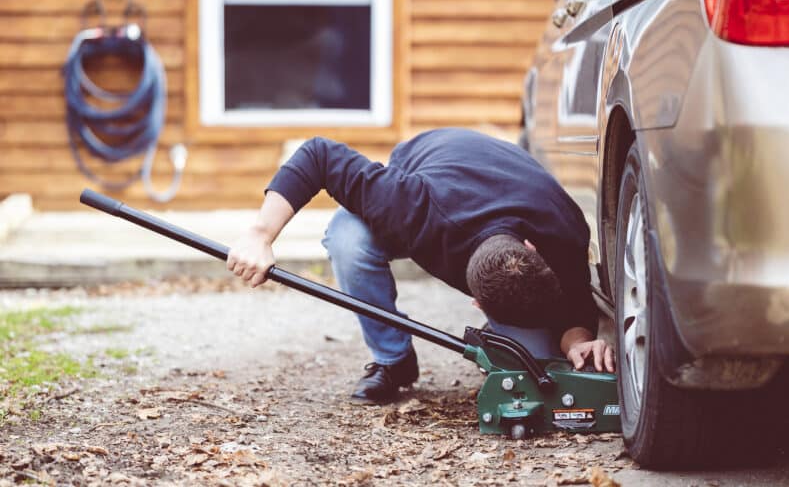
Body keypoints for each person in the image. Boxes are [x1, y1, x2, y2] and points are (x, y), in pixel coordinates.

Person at [227, 128, 615, 404]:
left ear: (535, 251)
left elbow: (575, 304)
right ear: (477, 302)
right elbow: (317, 153)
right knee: (348, 239)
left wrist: (578, 344)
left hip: (504, 169)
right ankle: (392, 361)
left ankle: (502, 340)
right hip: (429, 160)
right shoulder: (412, 206)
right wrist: (261, 233)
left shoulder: (562, 232)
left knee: (541, 360)